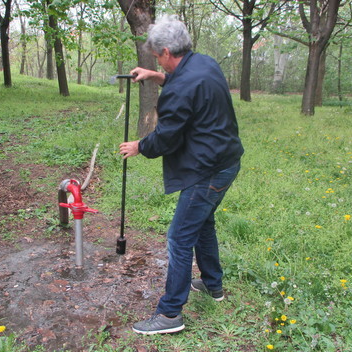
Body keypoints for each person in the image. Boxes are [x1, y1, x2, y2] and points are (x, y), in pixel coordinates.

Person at [119, 15, 244, 335]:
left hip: (208, 169)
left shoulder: (180, 90)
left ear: (165, 51)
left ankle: (170, 314)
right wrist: (156, 76)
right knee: (203, 224)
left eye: (156, 57)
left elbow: (166, 139)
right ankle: (213, 285)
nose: (156, 60)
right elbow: (188, 84)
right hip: (227, 160)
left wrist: (139, 145)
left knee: (178, 237)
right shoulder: (204, 63)